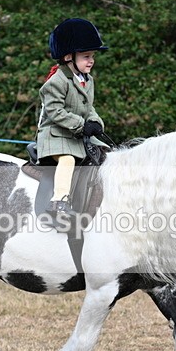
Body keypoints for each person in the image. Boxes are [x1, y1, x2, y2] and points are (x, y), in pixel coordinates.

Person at [37, 18, 109, 218]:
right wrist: (81, 125)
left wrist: (95, 123)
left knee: (106, 155)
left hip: (77, 136)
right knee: (68, 160)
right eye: (86, 56)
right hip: (56, 136)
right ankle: (58, 202)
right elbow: (55, 111)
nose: (91, 60)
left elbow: (89, 107)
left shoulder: (88, 79)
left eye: (92, 56)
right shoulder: (57, 81)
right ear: (69, 57)